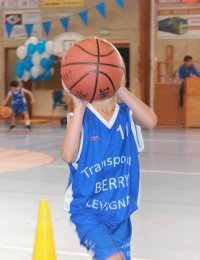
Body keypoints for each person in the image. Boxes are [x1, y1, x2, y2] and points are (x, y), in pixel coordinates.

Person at [61, 74, 157, 260]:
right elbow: (68, 155)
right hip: (86, 211)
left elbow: (151, 121)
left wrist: (120, 88)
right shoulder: (80, 119)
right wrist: (79, 107)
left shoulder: (127, 115)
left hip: (120, 212)